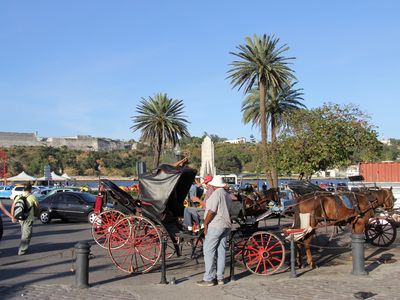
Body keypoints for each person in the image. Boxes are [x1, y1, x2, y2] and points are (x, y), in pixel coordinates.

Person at [197, 175, 232, 287]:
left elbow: (211, 211)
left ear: (213, 185)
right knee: (221, 252)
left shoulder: (216, 194)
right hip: (226, 225)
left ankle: (209, 278)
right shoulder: (227, 194)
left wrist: (206, 223)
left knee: (208, 251)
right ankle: (220, 277)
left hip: (216, 224)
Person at [11, 183, 39, 255]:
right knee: (27, 235)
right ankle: (22, 251)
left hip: (20, 218)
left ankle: (23, 248)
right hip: (28, 218)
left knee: (24, 233)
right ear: (30, 189)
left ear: (24, 189)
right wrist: (37, 214)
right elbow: (37, 207)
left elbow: (13, 206)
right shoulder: (32, 197)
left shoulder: (19, 196)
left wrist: (13, 216)